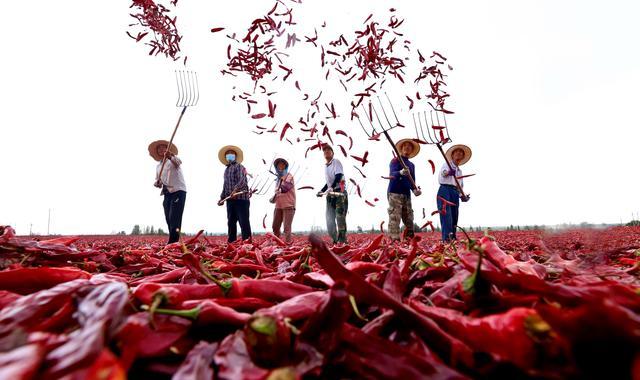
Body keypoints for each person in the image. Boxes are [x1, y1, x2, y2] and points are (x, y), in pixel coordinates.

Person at [149, 140, 186, 244]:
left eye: (163, 147)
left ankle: (172, 242)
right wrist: (157, 183)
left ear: (167, 149)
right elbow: (158, 181)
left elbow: (178, 162)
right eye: (159, 148)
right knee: (168, 217)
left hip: (178, 190)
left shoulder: (172, 159)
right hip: (167, 193)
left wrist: (170, 156)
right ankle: (173, 240)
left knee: (175, 217)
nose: (161, 149)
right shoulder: (158, 166)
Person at [387, 139, 422, 242]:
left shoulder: (411, 165)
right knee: (395, 217)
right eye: (405, 146)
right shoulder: (395, 160)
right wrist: (400, 172)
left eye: (409, 146)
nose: (407, 147)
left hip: (406, 194)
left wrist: (415, 190)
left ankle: (409, 240)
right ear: (401, 149)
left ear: (411, 150)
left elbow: (412, 181)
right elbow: (392, 174)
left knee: (409, 217)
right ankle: (394, 241)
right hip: (395, 192)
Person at [217, 145, 252, 243]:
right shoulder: (226, 170)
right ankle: (232, 243)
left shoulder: (240, 167)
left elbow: (242, 181)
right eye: (228, 154)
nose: (229, 155)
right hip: (230, 200)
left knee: (243, 222)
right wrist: (222, 198)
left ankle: (247, 243)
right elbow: (225, 185)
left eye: (231, 153)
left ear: (235, 156)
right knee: (231, 223)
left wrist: (235, 190)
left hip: (241, 199)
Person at [437, 144, 472, 241]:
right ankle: (447, 239)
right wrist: (448, 172)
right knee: (446, 215)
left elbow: (460, 187)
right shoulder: (447, 164)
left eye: (461, 152)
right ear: (452, 155)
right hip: (445, 190)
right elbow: (443, 174)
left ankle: (453, 238)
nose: (459, 153)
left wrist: (463, 196)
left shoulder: (459, 171)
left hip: (454, 192)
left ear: (462, 157)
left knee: (454, 216)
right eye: (457, 152)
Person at [316, 144, 348, 244]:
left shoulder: (336, 162)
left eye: (328, 150)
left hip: (339, 193)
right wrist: (322, 190)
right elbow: (328, 183)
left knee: (340, 217)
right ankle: (335, 239)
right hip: (330, 195)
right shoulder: (326, 166)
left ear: (332, 153)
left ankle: (342, 241)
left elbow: (339, 176)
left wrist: (331, 187)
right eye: (324, 151)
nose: (326, 152)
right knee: (329, 218)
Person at [270, 158, 296, 243]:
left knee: (286, 228)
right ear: (276, 167)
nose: (280, 166)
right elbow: (277, 193)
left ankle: (287, 246)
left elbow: (287, 187)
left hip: (288, 205)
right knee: (275, 226)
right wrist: (273, 198)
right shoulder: (277, 179)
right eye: (278, 164)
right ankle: (278, 243)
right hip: (278, 205)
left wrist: (281, 190)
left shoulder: (289, 176)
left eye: (282, 164)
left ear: (285, 166)